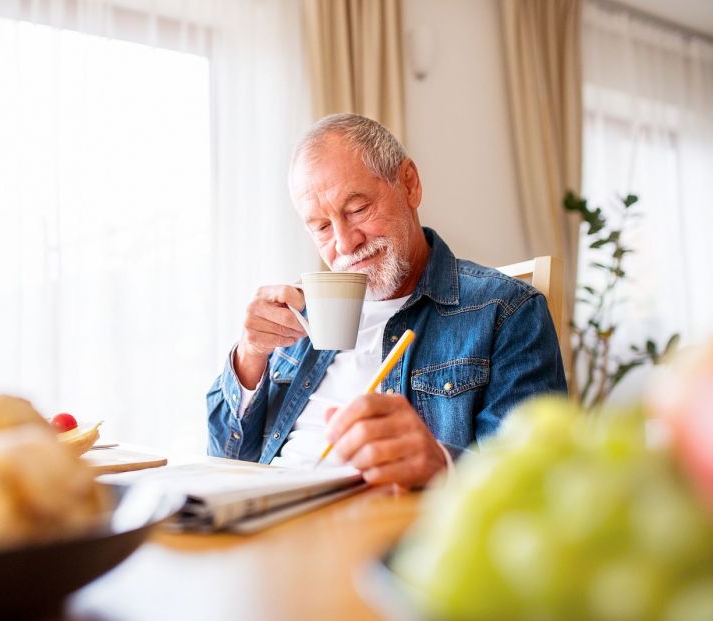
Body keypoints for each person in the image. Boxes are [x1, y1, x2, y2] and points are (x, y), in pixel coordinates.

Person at [206, 113, 567, 489]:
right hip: (269, 519)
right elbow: (224, 459)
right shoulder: (301, 314)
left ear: (408, 184)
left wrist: (442, 467)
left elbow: (538, 482)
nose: (345, 244)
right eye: (322, 227)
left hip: (386, 534)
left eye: (358, 209)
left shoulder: (504, 310)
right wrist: (250, 356)